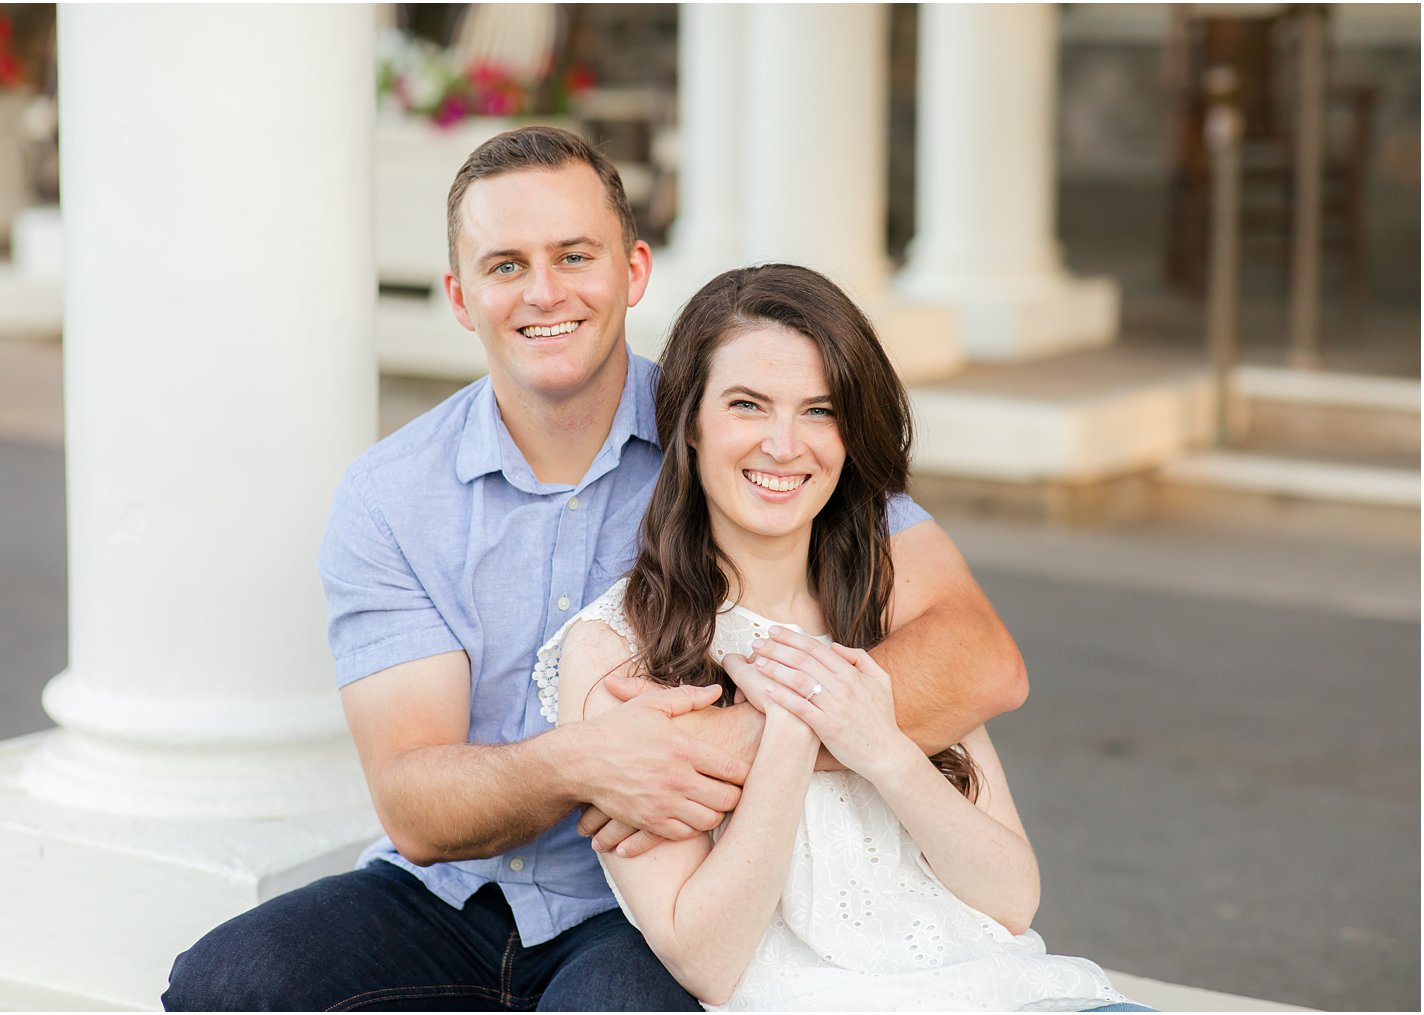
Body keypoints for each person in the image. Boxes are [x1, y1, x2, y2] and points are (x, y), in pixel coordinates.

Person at [163, 127, 1026, 1011]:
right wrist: (584, 762)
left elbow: (978, 656)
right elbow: (416, 806)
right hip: (453, 893)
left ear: (634, 271)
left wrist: (710, 748)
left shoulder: (739, 433)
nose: (545, 292)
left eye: (575, 255)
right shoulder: (391, 497)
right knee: (223, 984)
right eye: (505, 265)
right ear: (460, 297)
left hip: (648, 903)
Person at [546, 263, 1150, 1012]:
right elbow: (707, 959)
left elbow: (1011, 896)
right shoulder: (615, 651)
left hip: (1005, 989)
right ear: (690, 426)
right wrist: (794, 727)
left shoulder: (886, 607)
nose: (784, 444)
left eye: (819, 411)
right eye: (747, 404)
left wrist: (885, 748)